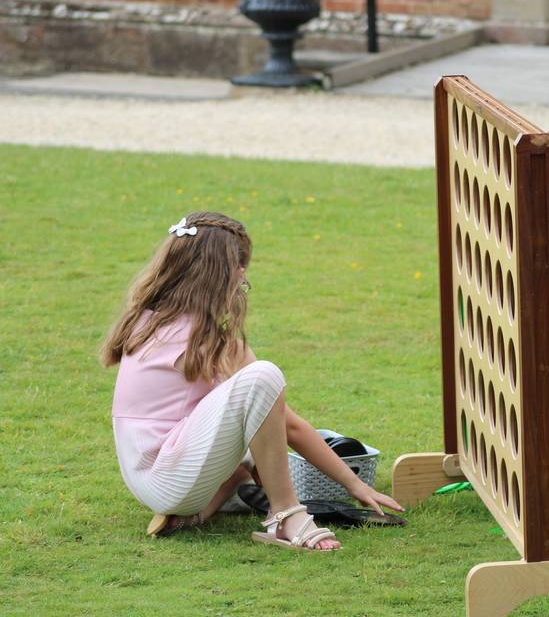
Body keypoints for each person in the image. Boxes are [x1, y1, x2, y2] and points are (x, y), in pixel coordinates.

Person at [101, 211, 403, 551]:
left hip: (146, 474)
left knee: (255, 415)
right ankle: (286, 516)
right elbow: (287, 423)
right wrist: (354, 484)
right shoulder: (204, 341)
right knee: (262, 378)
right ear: (226, 273)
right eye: (241, 269)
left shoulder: (147, 319)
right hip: (166, 479)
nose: (244, 278)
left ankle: (218, 494)